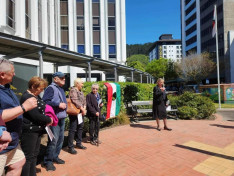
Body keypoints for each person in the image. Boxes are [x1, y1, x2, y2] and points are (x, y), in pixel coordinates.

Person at [0, 58, 37, 176]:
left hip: (13, 142)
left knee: (19, 162)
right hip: (2, 145)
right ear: (2, 74)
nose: (15, 74)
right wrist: (24, 107)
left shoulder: (6, 87)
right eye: (12, 71)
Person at [20, 76, 53, 176]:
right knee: (28, 156)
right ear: (33, 86)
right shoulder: (27, 97)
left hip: (36, 130)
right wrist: (49, 119)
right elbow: (35, 115)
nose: (42, 91)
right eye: (41, 89)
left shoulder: (35, 95)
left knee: (34, 155)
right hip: (30, 131)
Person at [42, 71, 67, 171]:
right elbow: (45, 101)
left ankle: (55, 157)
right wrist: (58, 104)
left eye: (64, 77)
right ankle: (48, 161)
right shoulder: (51, 88)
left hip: (61, 117)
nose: (64, 79)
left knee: (60, 139)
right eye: (61, 78)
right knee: (53, 140)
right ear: (55, 79)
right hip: (54, 119)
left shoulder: (60, 88)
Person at [67, 78, 87, 154]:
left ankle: (78, 143)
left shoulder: (80, 91)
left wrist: (84, 108)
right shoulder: (73, 90)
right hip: (74, 113)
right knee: (73, 129)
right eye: (81, 83)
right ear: (77, 84)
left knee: (80, 127)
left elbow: (84, 100)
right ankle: (70, 147)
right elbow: (74, 100)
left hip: (80, 112)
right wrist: (82, 108)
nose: (82, 85)